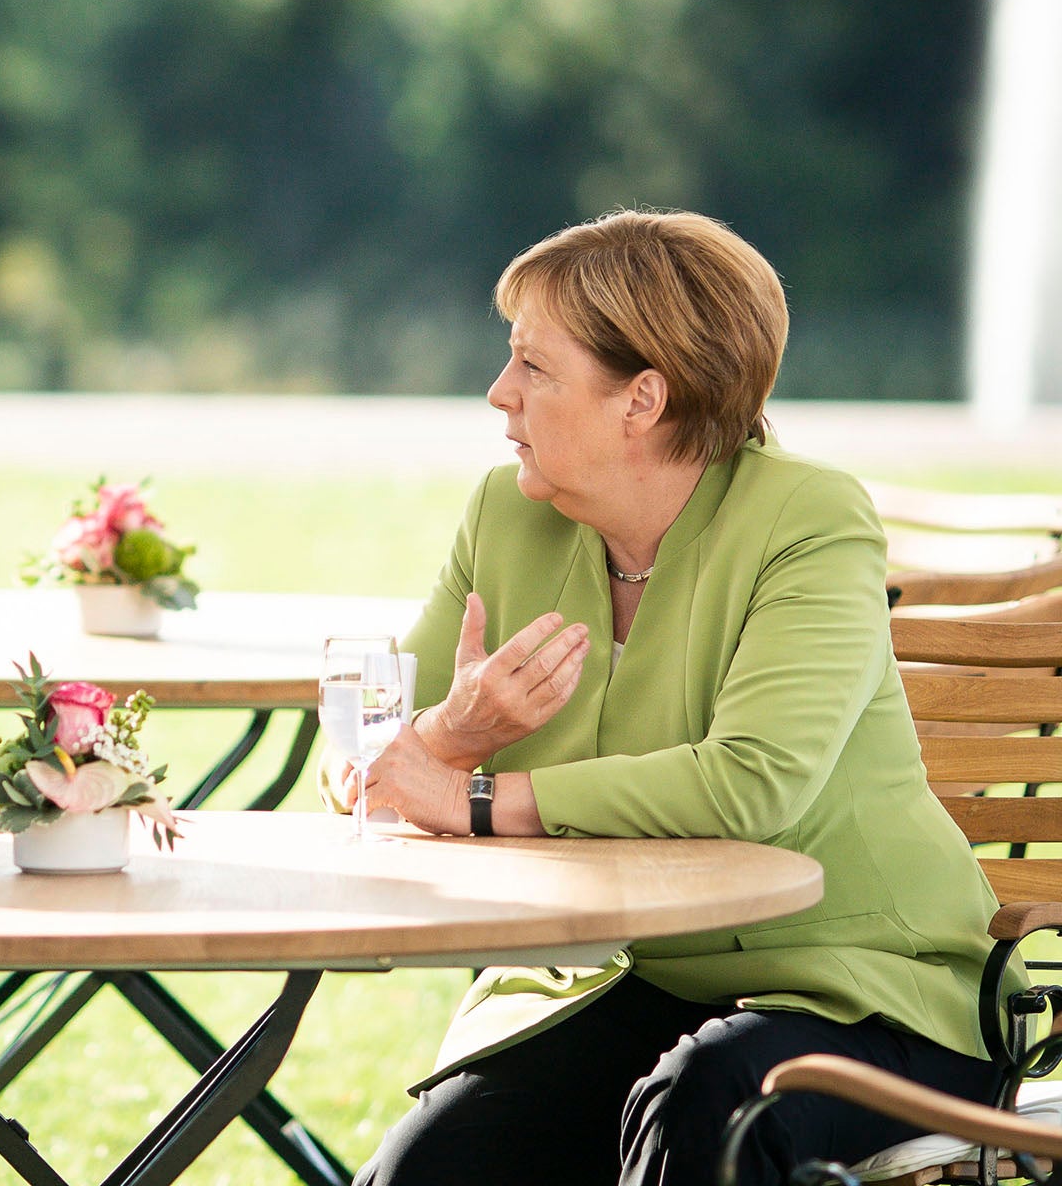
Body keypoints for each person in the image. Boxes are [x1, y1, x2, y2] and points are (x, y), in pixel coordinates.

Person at [345, 210, 1010, 1186]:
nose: (497, 395)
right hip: (639, 979)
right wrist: (451, 734)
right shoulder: (504, 514)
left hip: (866, 993)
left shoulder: (807, 520)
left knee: (704, 1104)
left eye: (532, 368)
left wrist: (476, 800)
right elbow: (361, 758)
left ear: (641, 399)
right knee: (437, 1164)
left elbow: (751, 785)